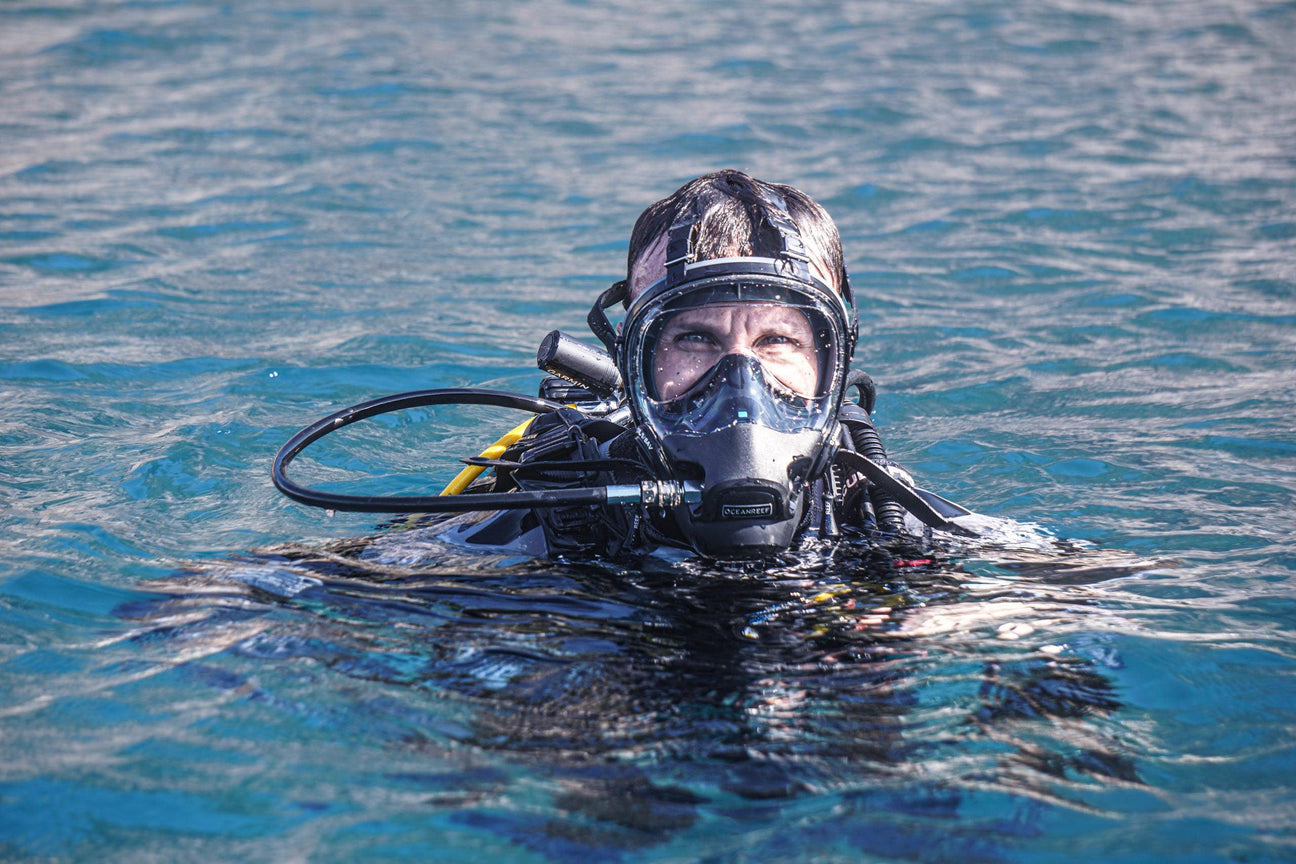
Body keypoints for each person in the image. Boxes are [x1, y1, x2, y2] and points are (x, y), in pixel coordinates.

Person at [434, 169, 980, 561]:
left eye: (778, 341)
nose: (741, 387)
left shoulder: (879, 512)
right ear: (633, 361)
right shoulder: (555, 512)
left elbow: (1055, 591)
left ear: (834, 362)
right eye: (694, 339)